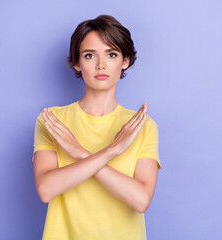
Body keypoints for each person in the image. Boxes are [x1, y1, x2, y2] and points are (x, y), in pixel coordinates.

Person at [32, 14, 161, 240]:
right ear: (77, 62)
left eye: (111, 54)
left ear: (125, 61)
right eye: (89, 55)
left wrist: (80, 153)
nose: (101, 64)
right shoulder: (51, 121)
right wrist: (112, 150)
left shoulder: (142, 125)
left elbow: (141, 200)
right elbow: (46, 190)